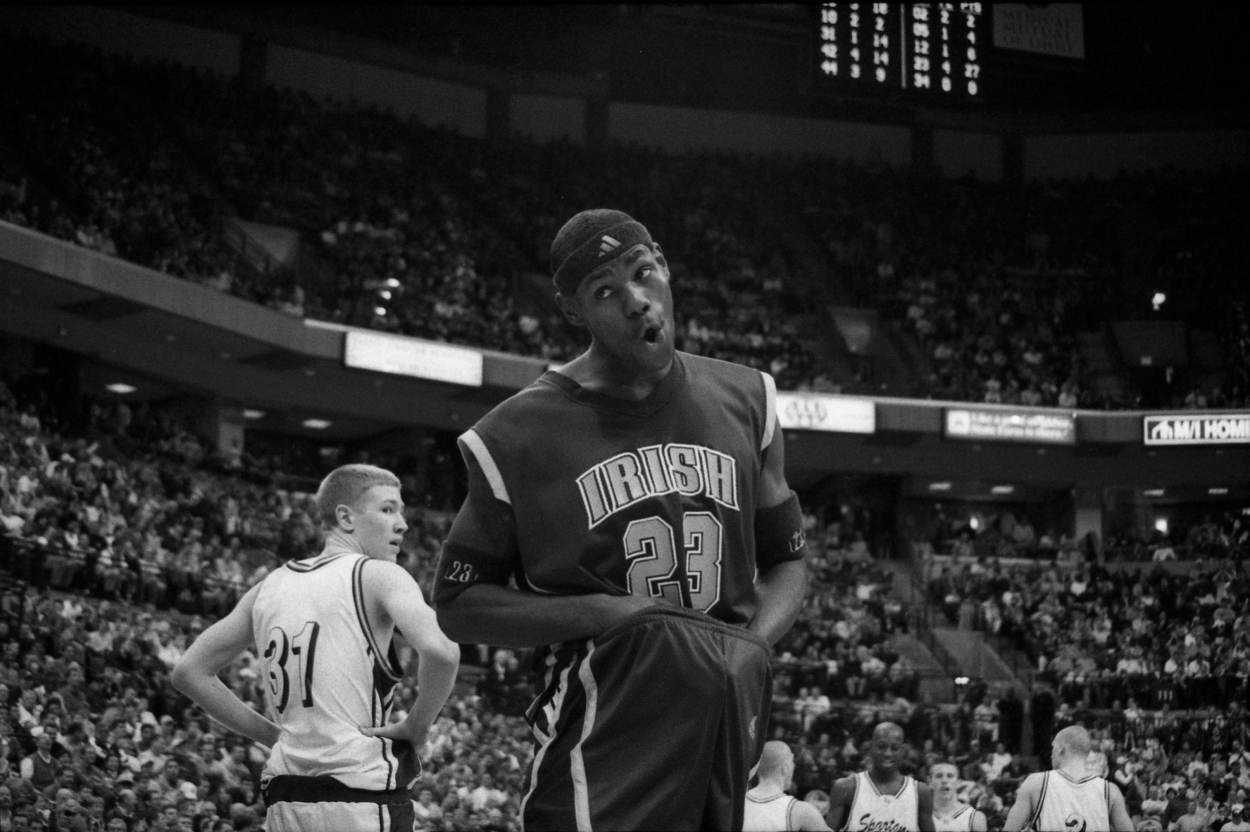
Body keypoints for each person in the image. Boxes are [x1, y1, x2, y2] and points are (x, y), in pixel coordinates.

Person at [433, 208, 809, 830]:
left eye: (643, 273)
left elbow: (788, 561)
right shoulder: (513, 434)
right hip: (600, 729)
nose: (637, 301)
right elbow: (456, 603)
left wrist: (751, 646)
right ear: (573, 311)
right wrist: (607, 614)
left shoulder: (749, 398)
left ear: (662, 262)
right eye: (605, 291)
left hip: (722, 720)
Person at [173, 464, 460, 832]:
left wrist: (272, 736)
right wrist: (417, 726)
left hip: (287, 797)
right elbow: (443, 652)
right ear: (345, 517)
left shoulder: (268, 586)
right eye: (388, 509)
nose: (402, 523)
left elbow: (188, 672)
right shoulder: (379, 574)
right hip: (360, 796)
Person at [1003, 725, 1134, 832]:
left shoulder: (1035, 783)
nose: (1051, 755)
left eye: (1053, 747)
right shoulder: (1110, 791)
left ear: (1061, 748)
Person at [825, 722, 934, 831]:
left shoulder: (920, 792)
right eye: (881, 747)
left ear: (903, 750)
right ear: (871, 747)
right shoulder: (846, 788)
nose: (888, 753)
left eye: (895, 748)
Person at [744, 741, 833, 832]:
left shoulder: (740, 803)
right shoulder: (800, 811)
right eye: (792, 762)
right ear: (785, 768)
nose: (793, 766)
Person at [930, 762, 987, 832]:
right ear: (930, 782)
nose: (944, 780)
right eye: (939, 776)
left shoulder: (975, 817)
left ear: (958, 782)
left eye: (950, 776)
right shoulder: (917, 817)